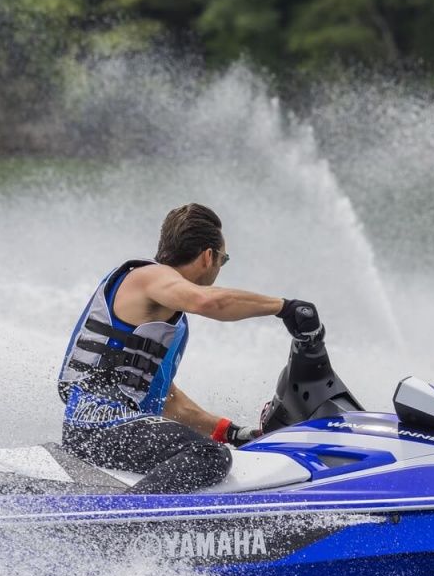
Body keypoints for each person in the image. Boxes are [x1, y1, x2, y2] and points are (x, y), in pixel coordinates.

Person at [56, 203, 319, 494]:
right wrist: (284, 307)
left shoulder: (159, 314)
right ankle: (120, 524)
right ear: (208, 257)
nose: (220, 267)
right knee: (208, 456)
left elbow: (167, 399)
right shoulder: (150, 277)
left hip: (103, 427)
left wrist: (231, 431)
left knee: (210, 449)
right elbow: (209, 302)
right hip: (102, 425)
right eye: (224, 259)